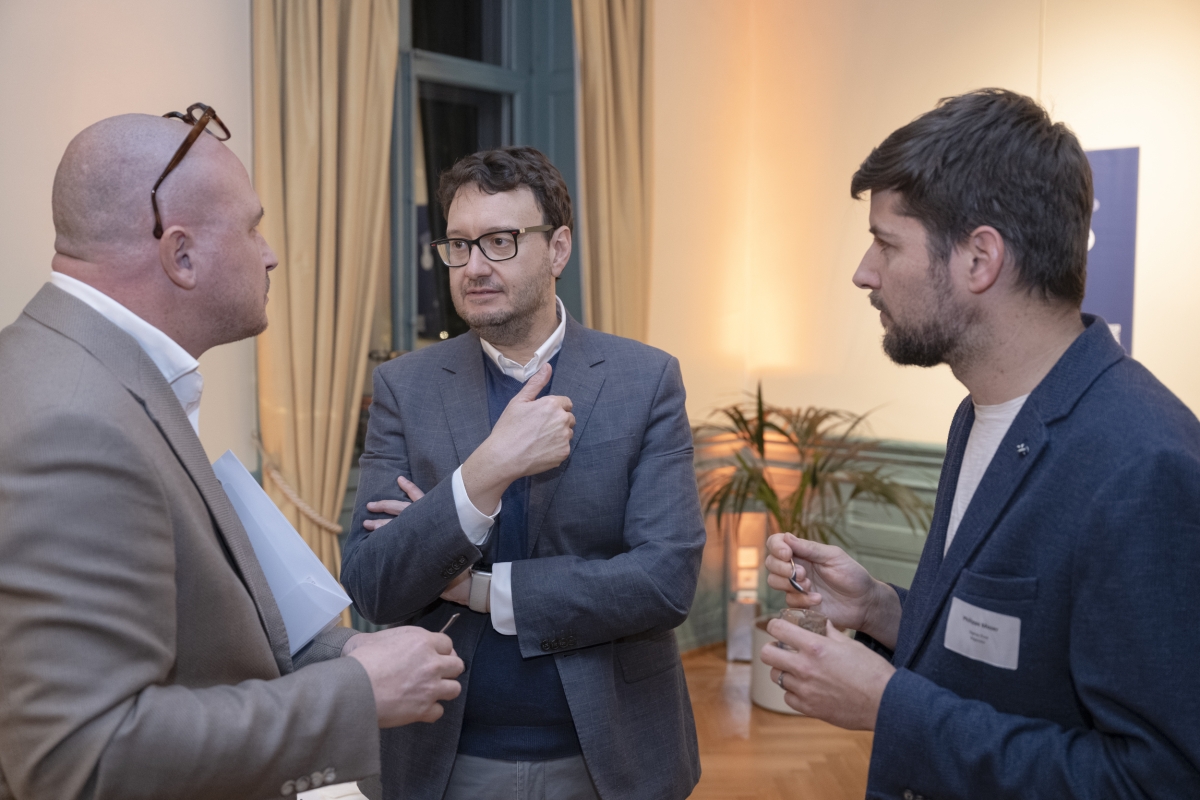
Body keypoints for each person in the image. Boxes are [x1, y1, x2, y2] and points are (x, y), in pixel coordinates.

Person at [0, 107, 464, 800]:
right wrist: (356, 692)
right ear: (181, 255)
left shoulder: (88, 372)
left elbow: (197, 633)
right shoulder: (74, 422)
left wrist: (342, 651)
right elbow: (87, 759)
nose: (270, 254)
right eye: (252, 228)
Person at [760, 88, 1200, 798]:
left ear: (979, 258)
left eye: (886, 242)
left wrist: (889, 706)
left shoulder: (1145, 465)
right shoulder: (981, 414)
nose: (864, 272)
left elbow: (1158, 781)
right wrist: (880, 609)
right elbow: (1009, 658)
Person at [341, 145, 705, 800]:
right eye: (458, 245)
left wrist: (478, 587)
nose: (474, 266)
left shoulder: (645, 379)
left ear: (558, 249)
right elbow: (373, 584)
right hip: (445, 754)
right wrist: (485, 472)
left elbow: (664, 580)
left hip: (608, 753)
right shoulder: (404, 387)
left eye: (500, 241)